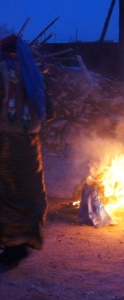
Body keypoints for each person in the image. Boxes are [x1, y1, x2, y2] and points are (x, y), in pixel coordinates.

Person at [0, 34, 49, 271]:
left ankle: (12, 245)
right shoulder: (33, 75)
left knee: (7, 190)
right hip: (30, 142)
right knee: (29, 189)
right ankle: (24, 239)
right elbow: (49, 112)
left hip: (6, 141)